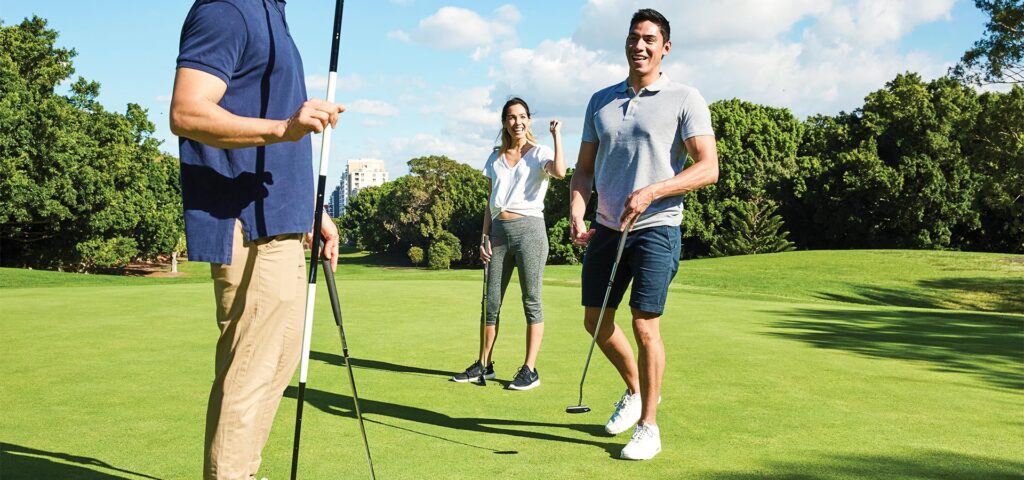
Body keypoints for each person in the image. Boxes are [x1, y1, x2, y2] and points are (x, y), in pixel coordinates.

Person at [169, 1, 344, 478]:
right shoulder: (227, 9)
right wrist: (283, 128)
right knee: (251, 370)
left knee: (273, 364)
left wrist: (313, 207)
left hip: (283, 220)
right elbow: (186, 111)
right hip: (249, 223)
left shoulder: (272, 14)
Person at [569, 8, 720, 460]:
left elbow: (708, 168)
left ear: (665, 47)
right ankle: (636, 393)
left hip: (656, 227)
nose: (640, 46)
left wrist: (655, 190)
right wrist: (578, 213)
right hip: (607, 227)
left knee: (644, 324)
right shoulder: (601, 100)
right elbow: (582, 170)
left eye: (650, 39)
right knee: (595, 320)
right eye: (634, 37)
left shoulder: (684, 97)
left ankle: (649, 426)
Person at [451, 97, 567, 391]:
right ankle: (484, 364)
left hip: (530, 231)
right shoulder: (495, 157)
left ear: (529, 120)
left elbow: (561, 171)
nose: (518, 122)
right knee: (490, 303)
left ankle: (529, 369)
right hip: (498, 233)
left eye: (523, 116)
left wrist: (556, 136)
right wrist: (484, 237)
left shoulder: (539, 152)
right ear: (505, 122)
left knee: (531, 302)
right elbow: (490, 202)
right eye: (512, 117)